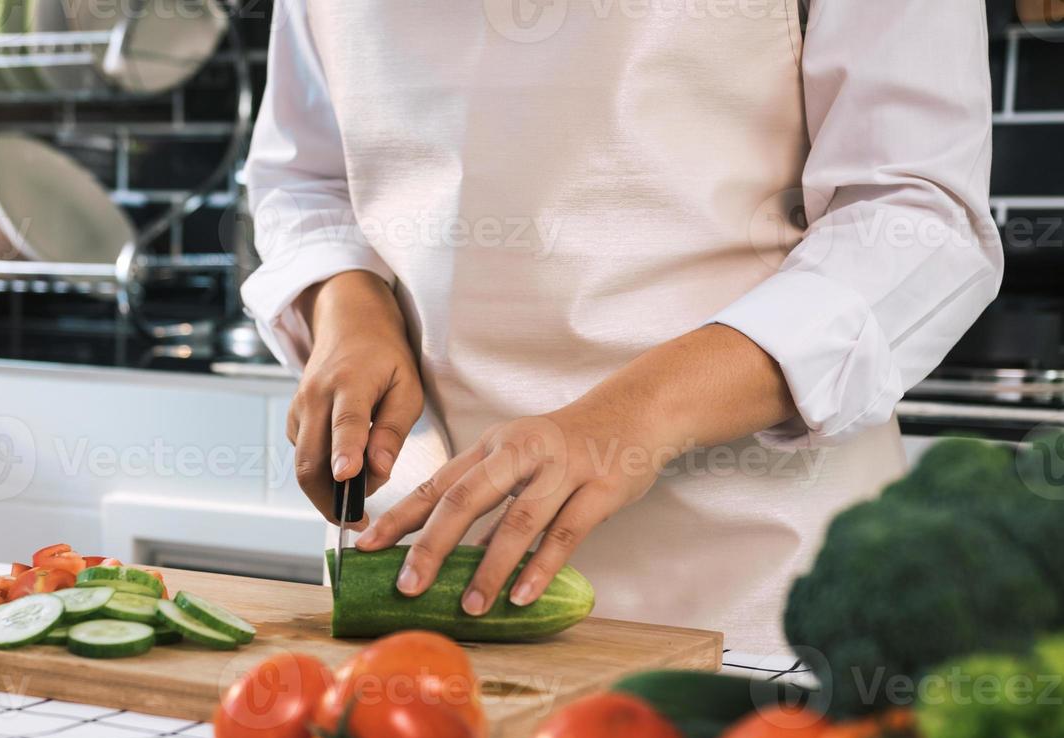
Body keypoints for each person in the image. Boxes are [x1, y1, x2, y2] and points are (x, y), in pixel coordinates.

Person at [242, 0, 1001, 651]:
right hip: (415, 566)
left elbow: (918, 214)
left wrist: (632, 417)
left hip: (748, 587)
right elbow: (305, 179)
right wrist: (346, 304)